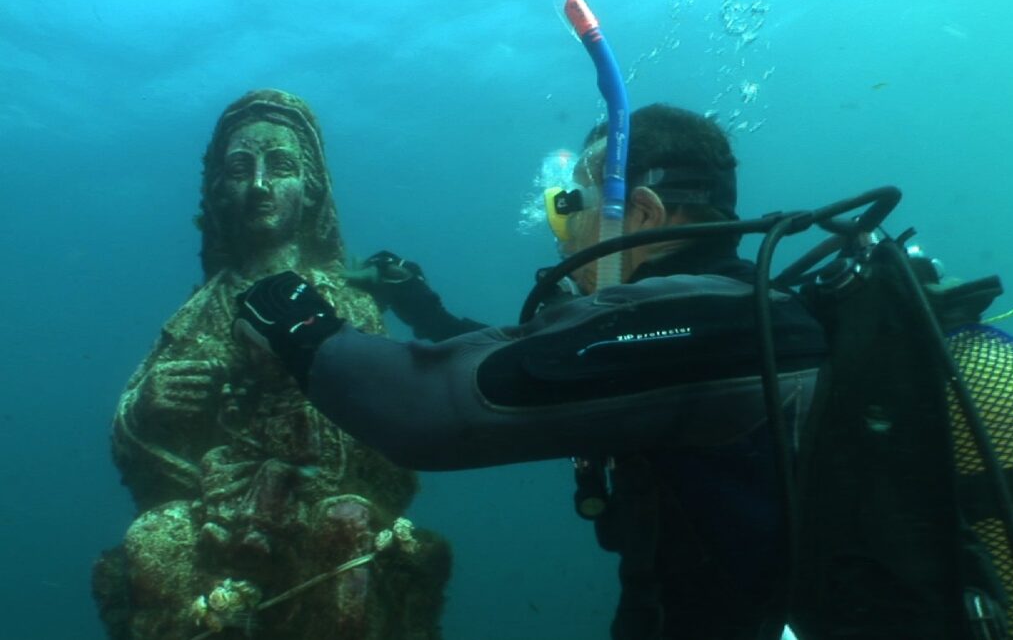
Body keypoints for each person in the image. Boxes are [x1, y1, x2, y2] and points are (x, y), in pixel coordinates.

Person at [235, 104, 828, 640]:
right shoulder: (740, 308)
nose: (562, 239)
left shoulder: (699, 329)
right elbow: (531, 365)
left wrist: (302, 328)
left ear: (642, 214)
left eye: (573, 211)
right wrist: (422, 307)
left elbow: (435, 411)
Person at [93, 89, 449, 640]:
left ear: (311, 190)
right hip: (215, 507)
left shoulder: (348, 306)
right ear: (219, 192)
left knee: (346, 529)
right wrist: (145, 407)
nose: (259, 185)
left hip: (320, 501)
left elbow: (397, 429)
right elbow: (130, 437)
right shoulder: (196, 316)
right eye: (241, 169)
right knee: (153, 541)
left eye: (280, 166)